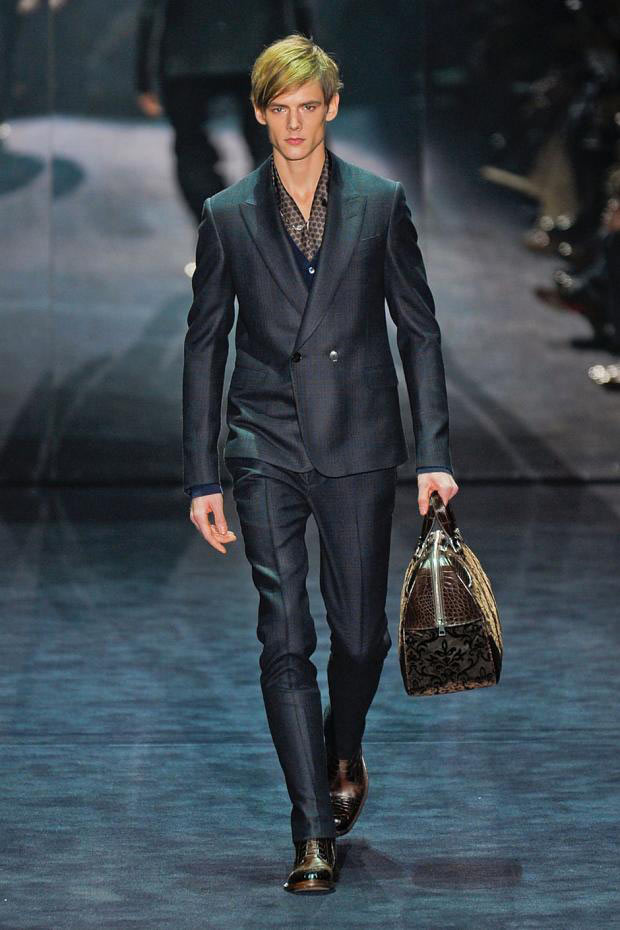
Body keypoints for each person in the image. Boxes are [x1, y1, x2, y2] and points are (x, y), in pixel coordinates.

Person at [182, 34, 459, 893]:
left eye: (309, 108)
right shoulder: (227, 213)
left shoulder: (380, 203)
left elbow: (418, 330)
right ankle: (311, 831)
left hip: (360, 443)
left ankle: (344, 744)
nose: (296, 125)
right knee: (284, 633)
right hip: (264, 442)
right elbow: (205, 346)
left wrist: (433, 454)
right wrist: (202, 474)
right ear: (260, 113)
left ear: (331, 109)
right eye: (281, 109)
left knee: (364, 636)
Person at [135, 0, 313, 222]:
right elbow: (298, 6)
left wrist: (144, 78)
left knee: (192, 148)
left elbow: (150, 11)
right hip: (260, 48)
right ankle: (264, 222)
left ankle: (219, 224)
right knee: (273, 144)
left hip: (189, 53)